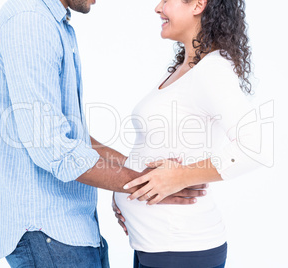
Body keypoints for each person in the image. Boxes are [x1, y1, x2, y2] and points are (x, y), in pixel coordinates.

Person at [0, 0, 208, 267]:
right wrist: (147, 184)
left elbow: (72, 138)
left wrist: (140, 176)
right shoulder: (30, 23)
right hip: (47, 233)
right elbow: (53, 148)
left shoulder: (50, 23)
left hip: (67, 230)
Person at [112, 0, 268, 267]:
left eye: (166, 0)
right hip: (155, 245)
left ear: (197, 4)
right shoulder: (185, 69)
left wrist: (178, 177)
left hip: (182, 248)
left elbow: (255, 147)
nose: (158, 8)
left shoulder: (213, 69)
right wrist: (123, 191)